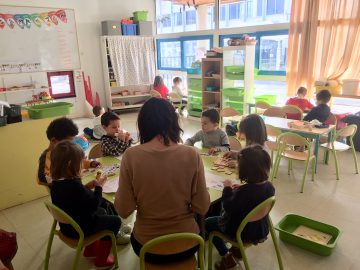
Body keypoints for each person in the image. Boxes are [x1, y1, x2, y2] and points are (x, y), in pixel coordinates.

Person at [114, 97, 210, 264]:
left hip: (147, 245)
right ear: (174, 122)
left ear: (143, 124)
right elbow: (202, 206)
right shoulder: (192, 154)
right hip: (188, 241)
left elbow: (123, 210)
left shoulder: (131, 156)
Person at [50, 140, 121, 268]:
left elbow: (74, 199)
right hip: (81, 229)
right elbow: (93, 204)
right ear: (71, 165)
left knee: (102, 211)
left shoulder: (55, 184)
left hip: (68, 226)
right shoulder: (75, 185)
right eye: (81, 163)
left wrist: (87, 186)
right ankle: (101, 259)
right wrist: (99, 187)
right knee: (115, 221)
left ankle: (90, 250)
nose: (82, 166)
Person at [205, 145, 275, 270]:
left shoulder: (245, 193)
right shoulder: (269, 186)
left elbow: (227, 206)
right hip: (259, 229)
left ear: (246, 171)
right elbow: (253, 194)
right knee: (221, 217)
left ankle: (226, 254)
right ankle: (235, 253)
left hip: (241, 231)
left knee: (208, 223)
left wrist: (227, 188)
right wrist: (241, 188)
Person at [38, 117, 100, 185]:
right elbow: (42, 178)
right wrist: (66, 178)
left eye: (72, 141)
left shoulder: (67, 151)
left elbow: (76, 163)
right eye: (68, 142)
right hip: (62, 191)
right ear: (54, 141)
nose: (71, 145)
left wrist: (90, 163)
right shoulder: (46, 157)